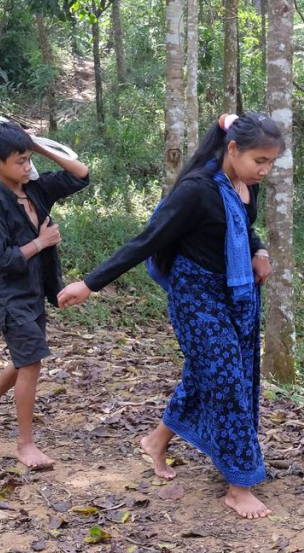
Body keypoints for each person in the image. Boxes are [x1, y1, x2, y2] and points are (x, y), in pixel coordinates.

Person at [57, 113, 282, 519]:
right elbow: (147, 240)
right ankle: (238, 484)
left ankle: (157, 440)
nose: (264, 170)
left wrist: (260, 252)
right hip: (196, 296)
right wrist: (89, 284)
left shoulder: (245, 185)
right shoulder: (196, 191)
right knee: (228, 380)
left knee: (208, 374)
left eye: (271, 163)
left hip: (238, 294)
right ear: (233, 149)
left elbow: (246, 229)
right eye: (259, 161)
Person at [0, 120, 91, 470]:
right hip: (9, 294)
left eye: (28, 160)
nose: (27, 167)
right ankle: (25, 445)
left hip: (36, 289)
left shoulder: (35, 190)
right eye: (19, 161)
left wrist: (37, 146)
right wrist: (41, 242)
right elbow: (4, 260)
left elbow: (81, 175)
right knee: (32, 362)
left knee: (27, 354)